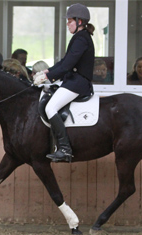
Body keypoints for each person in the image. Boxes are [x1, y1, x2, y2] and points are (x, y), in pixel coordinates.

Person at [33, 3, 95, 162]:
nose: (67, 24)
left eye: (70, 21)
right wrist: (48, 71)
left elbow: (68, 65)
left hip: (78, 83)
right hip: (74, 80)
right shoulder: (79, 37)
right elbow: (65, 61)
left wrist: (48, 78)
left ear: (79, 21)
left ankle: (65, 148)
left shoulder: (81, 38)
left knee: (50, 107)